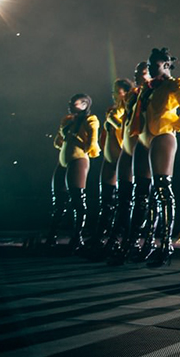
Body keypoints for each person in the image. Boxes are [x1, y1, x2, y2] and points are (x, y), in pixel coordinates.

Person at [128, 47, 180, 267]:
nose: (149, 68)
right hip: (144, 138)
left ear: (166, 65)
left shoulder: (176, 84)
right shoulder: (147, 88)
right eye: (148, 65)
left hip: (162, 136)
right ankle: (145, 243)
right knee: (143, 193)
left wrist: (173, 127)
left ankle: (165, 244)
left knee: (162, 190)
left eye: (154, 64)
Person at [104, 63, 150, 264]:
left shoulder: (157, 90)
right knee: (123, 195)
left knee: (144, 195)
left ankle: (137, 242)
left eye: (143, 72)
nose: (138, 76)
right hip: (128, 144)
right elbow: (122, 117)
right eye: (136, 73)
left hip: (145, 143)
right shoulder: (133, 95)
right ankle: (115, 240)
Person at [47, 94, 100, 252]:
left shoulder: (90, 120)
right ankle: (52, 236)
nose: (70, 105)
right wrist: (66, 131)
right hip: (64, 159)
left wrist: (79, 140)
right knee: (59, 200)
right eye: (70, 102)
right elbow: (58, 142)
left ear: (84, 105)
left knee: (77, 199)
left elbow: (93, 144)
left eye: (74, 103)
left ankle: (77, 237)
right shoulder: (68, 120)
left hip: (78, 159)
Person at [86, 78, 133, 257]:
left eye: (119, 91)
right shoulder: (112, 110)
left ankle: (120, 236)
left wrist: (113, 119)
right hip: (109, 153)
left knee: (123, 198)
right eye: (114, 91)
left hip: (122, 151)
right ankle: (101, 234)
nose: (115, 94)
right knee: (106, 198)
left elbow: (124, 127)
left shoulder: (129, 108)